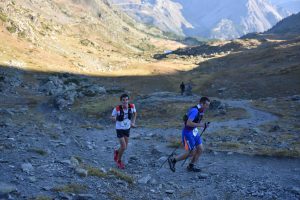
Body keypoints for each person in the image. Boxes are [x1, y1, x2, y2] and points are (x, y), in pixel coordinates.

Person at [168, 96, 210, 172]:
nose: (207, 107)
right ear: (201, 103)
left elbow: (196, 121)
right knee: (192, 152)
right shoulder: (195, 110)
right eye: (206, 105)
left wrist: (204, 124)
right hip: (188, 132)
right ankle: (173, 160)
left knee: (200, 149)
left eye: (208, 105)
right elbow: (188, 123)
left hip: (194, 131)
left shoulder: (201, 110)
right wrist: (202, 125)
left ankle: (191, 166)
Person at [111, 93, 137, 169]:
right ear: (121, 101)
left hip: (127, 128)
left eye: (126, 100)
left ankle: (116, 152)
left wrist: (133, 122)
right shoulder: (117, 109)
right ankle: (119, 161)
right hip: (119, 129)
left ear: (128, 100)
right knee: (123, 146)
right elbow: (112, 117)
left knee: (125, 147)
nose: (125, 101)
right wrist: (115, 118)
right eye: (123, 100)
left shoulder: (132, 106)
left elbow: (135, 113)